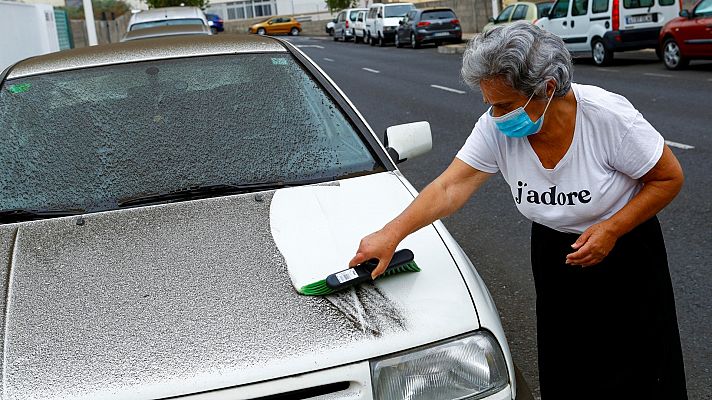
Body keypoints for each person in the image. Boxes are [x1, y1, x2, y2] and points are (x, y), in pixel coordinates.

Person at [349, 21, 688, 400]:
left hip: (625, 249)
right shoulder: (495, 128)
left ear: (546, 89)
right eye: (489, 105)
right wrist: (391, 233)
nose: (496, 116)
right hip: (556, 252)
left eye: (505, 105)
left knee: (639, 367)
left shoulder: (607, 118)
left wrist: (612, 228)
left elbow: (668, 179)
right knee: (569, 365)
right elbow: (450, 187)